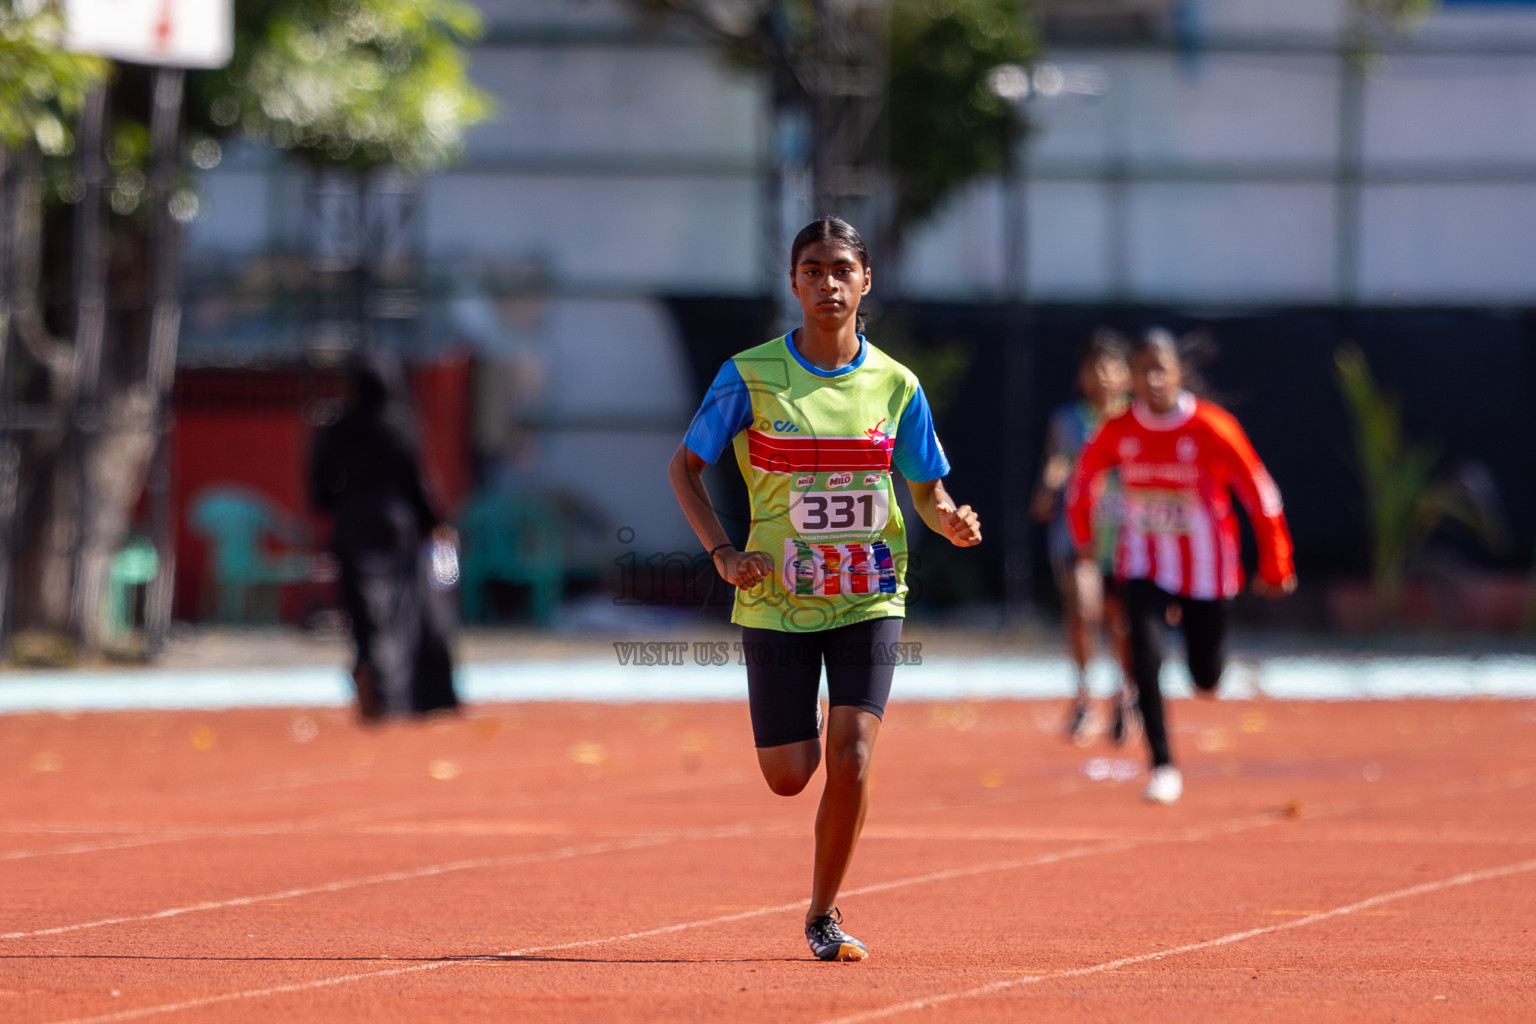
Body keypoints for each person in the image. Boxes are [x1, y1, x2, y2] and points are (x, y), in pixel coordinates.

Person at [668, 217, 981, 961]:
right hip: (776, 595)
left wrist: (950, 521)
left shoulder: (897, 384)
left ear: (865, 282)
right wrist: (721, 550)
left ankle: (823, 913)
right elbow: (684, 468)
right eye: (813, 270)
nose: (828, 283)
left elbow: (929, 493)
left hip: (871, 592)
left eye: (842, 270)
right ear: (794, 283)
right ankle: (808, 714)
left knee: (854, 757)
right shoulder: (749, 375)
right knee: (789, 775)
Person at [1064, 329, 1296, 803]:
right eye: (1142, 369)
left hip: (1208, 571)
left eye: (1160, 369)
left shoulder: (1212, 427)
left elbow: (1260, 492)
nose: (1151, 379)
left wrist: (1276, 561)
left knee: (1205, 677)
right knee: (1144, 655)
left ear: (1178, 374)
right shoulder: (1119, 429)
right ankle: (1162, 765)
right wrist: (1085, 540)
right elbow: (1082, 481)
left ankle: (1207, 666)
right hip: (1143, 562)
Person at [310, 354, 458, 721]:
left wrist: (345, 503)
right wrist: (437, 522)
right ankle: (416, 695)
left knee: (366, 614)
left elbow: (320, 490)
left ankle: (377, 692)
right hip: (398, 529)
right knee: (407, 611)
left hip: (355, 527)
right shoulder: (401, 427)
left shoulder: (339, 429)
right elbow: (417, 485)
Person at [1031, 330, 1134, 746]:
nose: (1103, 375)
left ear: (1127, 375)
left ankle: (1127, 696)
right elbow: (1045, 492)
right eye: (1094, 366)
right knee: (1083, 608)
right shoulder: (1067, 422)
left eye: (1112, 366)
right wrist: (1050, 487)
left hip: (1128, 543)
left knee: (1122, 622)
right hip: (1079, 538)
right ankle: (1084, 696)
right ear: (1082, 374)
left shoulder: (1138, 420)